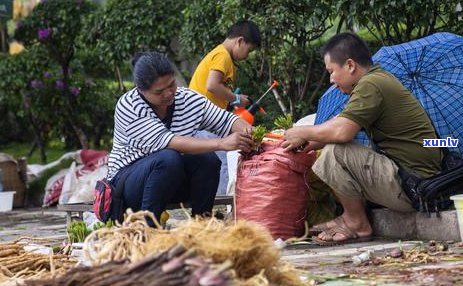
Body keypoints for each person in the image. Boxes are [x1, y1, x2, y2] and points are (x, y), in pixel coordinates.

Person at [282, 32, 441, 245]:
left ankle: (356, 222)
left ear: (349, 65)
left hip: (414, 185)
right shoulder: (376, 80)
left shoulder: (371, 85)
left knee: (335, 153)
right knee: (333, 146)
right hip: (414, 179)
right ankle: (350, 217)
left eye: (331, 72)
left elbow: (341, 132)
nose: (330, 79)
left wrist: (301, 132)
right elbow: (335, 126)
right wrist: (300, 144)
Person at [106, 51, 253, 225]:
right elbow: (169, 142)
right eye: (159, 92)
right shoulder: (130, 105)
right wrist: (222, 143)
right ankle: (148, 229)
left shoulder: (187, 98)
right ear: (141, 90)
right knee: (168, 157)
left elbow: (226, 120)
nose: (168, 94)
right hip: (127, 186)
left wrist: (252, 133)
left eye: (171, 85)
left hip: (169, 179)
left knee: (208, 160)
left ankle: (201, 224)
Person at [189, 19, 261, 195]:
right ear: (240, 41)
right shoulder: (223, 55)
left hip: (207, 120)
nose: (247, 55)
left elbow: (217, 91)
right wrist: (235, 97)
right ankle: (222, 203)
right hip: (201, 121)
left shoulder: (223, 56)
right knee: (223, 159)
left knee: (224, 156)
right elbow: (212, 85)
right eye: (249, 50)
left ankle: (222, 200)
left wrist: (232, 101)